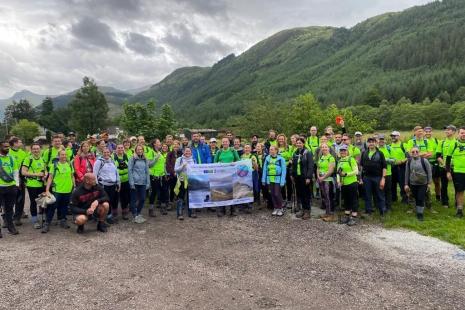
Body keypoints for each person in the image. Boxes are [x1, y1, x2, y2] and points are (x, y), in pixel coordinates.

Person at [44, 150, 75, 233]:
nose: (64, 156)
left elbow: (72, 176)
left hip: (67, 189)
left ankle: (62, 220)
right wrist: (47, 190)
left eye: (65, 155)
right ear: (58, 156)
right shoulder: (54, 165)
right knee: (53, 206)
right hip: (57, 190)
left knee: (64, 206)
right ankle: (47, 223)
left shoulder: (69, 164)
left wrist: (74, 186)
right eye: (62, 155)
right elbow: (50, 178)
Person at [21, 143, 47, 229]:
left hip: (41, 184)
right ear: (31, 150)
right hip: (32, 185)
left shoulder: (42, 159)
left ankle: (44, 218)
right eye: (34, 149)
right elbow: (23, 172)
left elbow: (45, 170)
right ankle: (35, 220)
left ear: (40, 149)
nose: (36, 150)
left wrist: (45, 175)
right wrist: (37, 174)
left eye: (37, 148)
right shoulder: (28, 159)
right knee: (33, 202)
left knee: (43, 201)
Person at [214, 137, 240, 216]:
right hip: (222, 175)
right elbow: (214, 162)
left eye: (226, 142)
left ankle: (233, 210)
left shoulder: (233, 151)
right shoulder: (219, 151)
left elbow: (238, 161)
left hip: (232, 174)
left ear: (229, 143)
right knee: (222, 191)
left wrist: (234, 163)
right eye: (223, 142)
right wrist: (218, 163)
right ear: (221, 143)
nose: (225, 143)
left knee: (232, 191)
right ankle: (222, 210)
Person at [360, 137, 387, 216]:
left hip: (377, 177)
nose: (371, 143)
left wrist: (383, 179)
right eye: (369, 142)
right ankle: (368, 211)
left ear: (376, 143)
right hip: (367, 177)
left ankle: (382, 211)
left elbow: (384, 167)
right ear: (367, 144)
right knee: (367, 195)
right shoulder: (364, 153)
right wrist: (360, 178)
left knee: (380, 194)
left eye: (373, 142)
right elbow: (361, 166)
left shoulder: (380, 153)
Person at [405, 146, 432, 221]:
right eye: (413, 152)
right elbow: (407, 173)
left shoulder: (424, 161)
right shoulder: (409, 161)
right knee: (415, 198)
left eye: (416, 151)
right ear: (410, 153)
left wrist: (429, 183)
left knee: (420, 198)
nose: (415, 153)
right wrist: (406, 184)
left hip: (423, 183)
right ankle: (418, 210)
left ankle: (420, 214)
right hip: (413, 184)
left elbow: (429, 172)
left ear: (419, 152)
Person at [93, 148, 120, 224]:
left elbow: (116, 172)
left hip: (113, 185)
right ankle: (101, 217)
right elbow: (95, 174)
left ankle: (108, 216)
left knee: (110, 201)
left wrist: (118, 182)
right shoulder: (99, 162)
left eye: (108, 152)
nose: (106, 154)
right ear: (102, 153)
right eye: (104, 152)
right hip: (103, 185)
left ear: (110, 153)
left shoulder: (112, 161)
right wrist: (96, 186)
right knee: (104, 202)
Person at [291, 137, 314, 220]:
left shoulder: (308, 153)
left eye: (300, 143)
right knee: (300, 193)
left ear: (303, 144)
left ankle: (307, 210)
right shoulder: (295, 153)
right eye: (297, 143)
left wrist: (308, 177)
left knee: (306, 194)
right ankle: (303, 209)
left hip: (305, 177)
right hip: (297, 177)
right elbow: (293, 165)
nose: (298, 144)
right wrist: (292, 174)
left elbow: (311, 166)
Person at [336, 145, 359, 226]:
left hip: (352, 183)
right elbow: (338, 173)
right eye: (341, 151)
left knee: (353, 200)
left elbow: (356, 171)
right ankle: (347, 217)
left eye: (344, 150)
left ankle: (354, 217)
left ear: (347, 151)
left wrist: (346, 174)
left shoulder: (351, 159)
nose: (343, 152)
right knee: (346, 200)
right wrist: (338, 181)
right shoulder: (339, 161)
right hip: (344, 184)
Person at [0, 140, 19, 236]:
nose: (7, 148)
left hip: (11, 187)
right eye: (5, 146)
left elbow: (16, 171)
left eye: (8, 146)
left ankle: (10, 227)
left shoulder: (11, 158)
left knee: (9, 209)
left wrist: (16, 184)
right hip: (0, 187)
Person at [262, 145, 287, 216]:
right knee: (272, 194)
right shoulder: (267, 158)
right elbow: (264, 170)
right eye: (270, 149)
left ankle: (280, 208)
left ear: (276, 150)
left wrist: (282, 181)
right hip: (269, 179)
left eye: (272, 149)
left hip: (278, 179)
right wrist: (263, 179)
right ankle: (275, 207)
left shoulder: (281, 159)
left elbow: (284, 171)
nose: (271, 151)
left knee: (277, 193)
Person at [128, 145, 151, 223]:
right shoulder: (132, 158)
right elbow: (130, 171)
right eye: (138, 149)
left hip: (143, 182)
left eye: (141, 149)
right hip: (135, 182)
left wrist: (148, 182)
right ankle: (135, 215)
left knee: (142, 199)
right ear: (135, 150)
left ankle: (138, 213)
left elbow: (147, 171)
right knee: (133, 200)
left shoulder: (145, 159)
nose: (140, 150)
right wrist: (131, 183)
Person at [446, 126, 465, 218]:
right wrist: (448, 171)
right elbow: (448, 159)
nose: (463, 135)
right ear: (458, 134)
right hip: (458, 172)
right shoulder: (454, 144)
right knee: (460, 191)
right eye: (462, 133)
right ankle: (460, 210)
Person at [436, 125, 457, 208]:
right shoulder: (442, 142)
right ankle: (445, 202)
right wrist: (445, 165)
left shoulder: (457, 142)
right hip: (443, 167)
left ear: (454, 132)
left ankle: (457, 202)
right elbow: (438, 156)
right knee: (444, 185)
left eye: (449, 130)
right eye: (446, 130)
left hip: (455, 168)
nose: (446, 131)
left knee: (457, 186)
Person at [8, 137, 27, 226]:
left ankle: (17, 218)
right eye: (20, 142)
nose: (21, 143)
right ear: (15, 143)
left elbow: (26, 165)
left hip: (21, 179)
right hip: (9, 180)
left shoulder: (23, 153)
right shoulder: (7, 152)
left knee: (20, 199)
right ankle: (7, 218)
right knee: (9, 200)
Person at [174, 147, 196, 220]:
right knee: (181, 197)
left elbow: (197, 169)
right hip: (182, 180)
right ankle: (179, 214)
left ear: (191, 152)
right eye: (186, 151)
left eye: (189, 151)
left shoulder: (194, 159)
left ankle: (191, 212)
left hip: (191, 180)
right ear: (183, 152)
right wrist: (182, 166)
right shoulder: (179, 159)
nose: (187, 152)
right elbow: (176, 170)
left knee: (191, 196)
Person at [148, 142, 169, 217]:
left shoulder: (159, 152)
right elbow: (149, 164)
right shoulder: (151, 152)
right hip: (154, 176)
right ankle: (151, 209)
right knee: (153, 193)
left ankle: (163, 207)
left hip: (162, 175)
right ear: (154, 144)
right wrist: (157, 157)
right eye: (158, 142)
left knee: (164, 191)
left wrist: (165, 173)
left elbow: (163, 164)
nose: (160, 143)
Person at [316, 143, 336, 219]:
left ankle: (331, 214)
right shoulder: (321, 157)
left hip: (328, 180)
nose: (324, 148)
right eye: (322, 147)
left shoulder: (331, 158)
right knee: (324, 196)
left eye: (325, 147)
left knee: (329, 196)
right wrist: (318, 176)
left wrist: (323, 177)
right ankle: (327, 212)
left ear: (329, 148)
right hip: (321, 179)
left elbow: (330, 170)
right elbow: (318, 167)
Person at [389, 131, 408, 204]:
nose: (393, 137)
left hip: (401, 167)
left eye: (394, 136)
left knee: (402, 183)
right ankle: (394, 198)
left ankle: (405, 199)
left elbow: (408, 157)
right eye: (392, 136)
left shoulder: (403, 145)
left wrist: (402, 161)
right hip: (392, 167)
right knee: (392, 184)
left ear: (398, 136)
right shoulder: (389, 146)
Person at [377, 135, 395, 211]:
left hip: (388, 173)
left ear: (385, 140)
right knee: (379, 190)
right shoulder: (375, 149)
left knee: (388, 190)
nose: (381, 141)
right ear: (377, 140)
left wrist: (384, 159)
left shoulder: (389, 148)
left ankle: (388, 207)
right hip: (377, 174)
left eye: (382, 139)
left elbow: (394, 160)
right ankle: (381, 206)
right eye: (380, 139)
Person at [113, 144, 131, 220]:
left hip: (126, 180)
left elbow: (130, 166)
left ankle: (124, 212)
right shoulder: (113, 157)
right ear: (116, 149)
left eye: (122, 148)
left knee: (125, 197)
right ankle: (114, 213)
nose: (120, 149)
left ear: (124, 148)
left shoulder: (127, 156)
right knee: (115, 197)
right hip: (117, 181)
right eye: (118, 148)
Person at [241, 144, 259, 213]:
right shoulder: (241, 156)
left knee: (252, 189)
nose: (247, 149)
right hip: (244, 175)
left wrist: (254, 163)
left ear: (250, 149)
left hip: (251, 174)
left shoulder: (253, 156)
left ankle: (250, 205)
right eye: (245, 148)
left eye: (248, 148)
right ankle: (245, 204)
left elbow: (256, 168)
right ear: (244, 149)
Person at [424, 127, 440, 202]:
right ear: (424, 132)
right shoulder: (423, 141)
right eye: (426, 131)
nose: (428, 133)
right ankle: (426, 197)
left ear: (431, 132)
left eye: (429, 131)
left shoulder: (436, 140)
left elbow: (438, 151)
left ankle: (438, 196)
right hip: (426, 162)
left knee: (436, 181)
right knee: (426, 181)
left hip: (435, 162)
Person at [166, 140, 182, 209]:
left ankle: (179, 203)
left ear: (179, 145)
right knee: (172, 189)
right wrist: (173, 172)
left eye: (177, 144)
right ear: (172, 146)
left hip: (180, 174)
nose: (176, 146)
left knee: (179, 189)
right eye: (174, 144)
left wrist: (179, 172)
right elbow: (168, 164)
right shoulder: (169, 153)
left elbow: (182, 163)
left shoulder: (181, 153)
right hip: (172, 175)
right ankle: (171, 203)